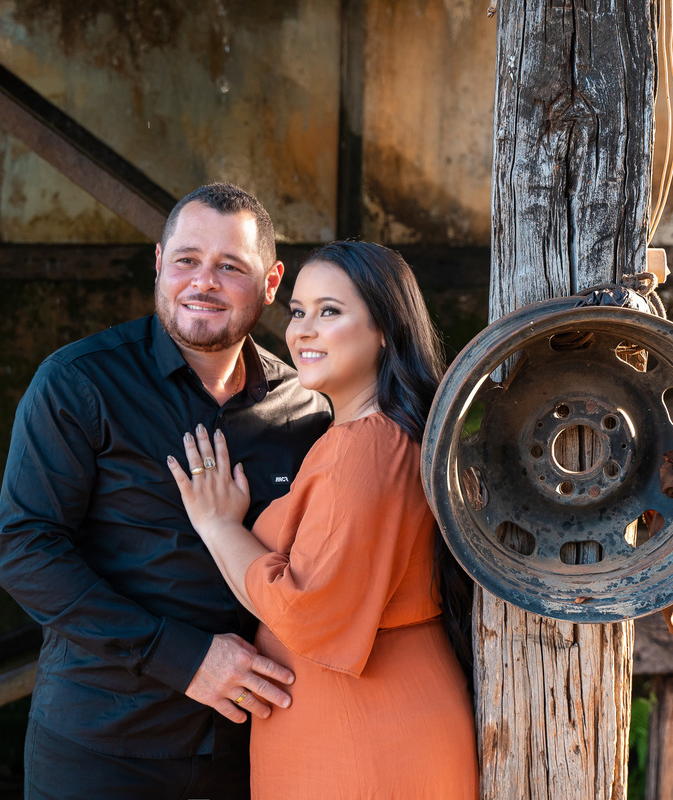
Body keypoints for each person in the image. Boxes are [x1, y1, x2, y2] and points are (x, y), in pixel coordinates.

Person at [0, 183, 333, 800]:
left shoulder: (307, 411)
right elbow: (24, 552)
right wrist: (184, 657)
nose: (203, 281)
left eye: (231, 266)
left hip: (256, 745)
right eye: (186, 260)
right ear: (159, 262)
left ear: (271, 281)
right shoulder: (79, 384)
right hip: (102, 747)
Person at [168, 241, 478, 798]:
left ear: (385, 327)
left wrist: (218, 526)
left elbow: (306, 608)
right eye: (298, 311)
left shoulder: (366, 447)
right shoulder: (375, 436)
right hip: (358, 725)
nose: (303, 330)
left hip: (362, 740)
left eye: (329, 311)